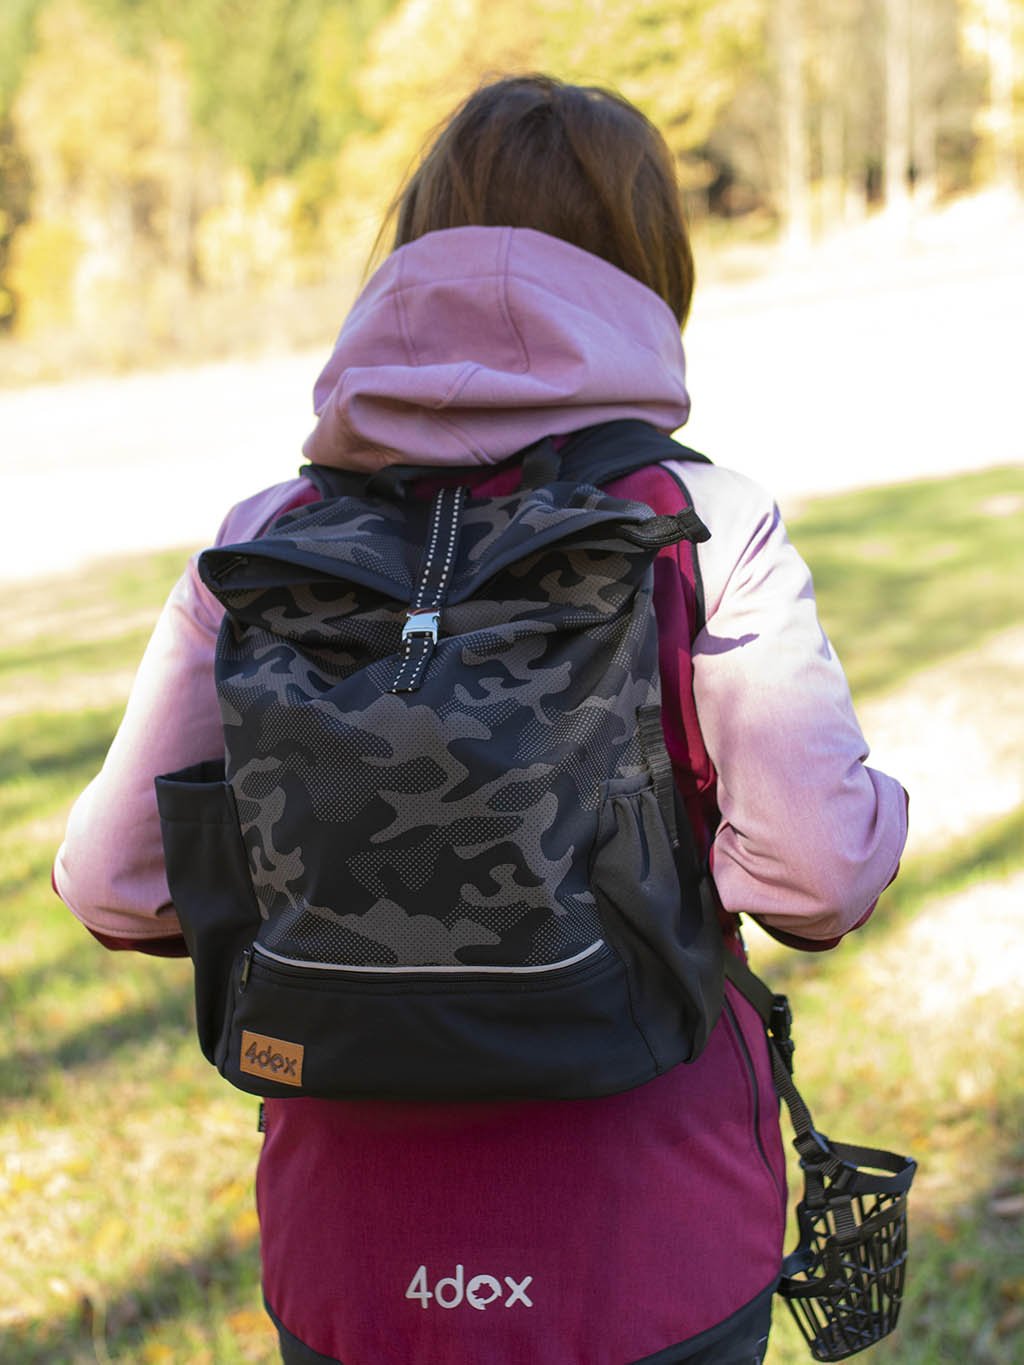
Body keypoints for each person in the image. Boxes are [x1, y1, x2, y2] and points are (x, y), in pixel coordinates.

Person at [54, 75, 908, 1365]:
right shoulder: (700, 521)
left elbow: (113, 886)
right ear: (645, 267)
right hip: (647, 1251)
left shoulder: (266, 544)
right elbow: (818, 877)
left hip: (351, 1263)